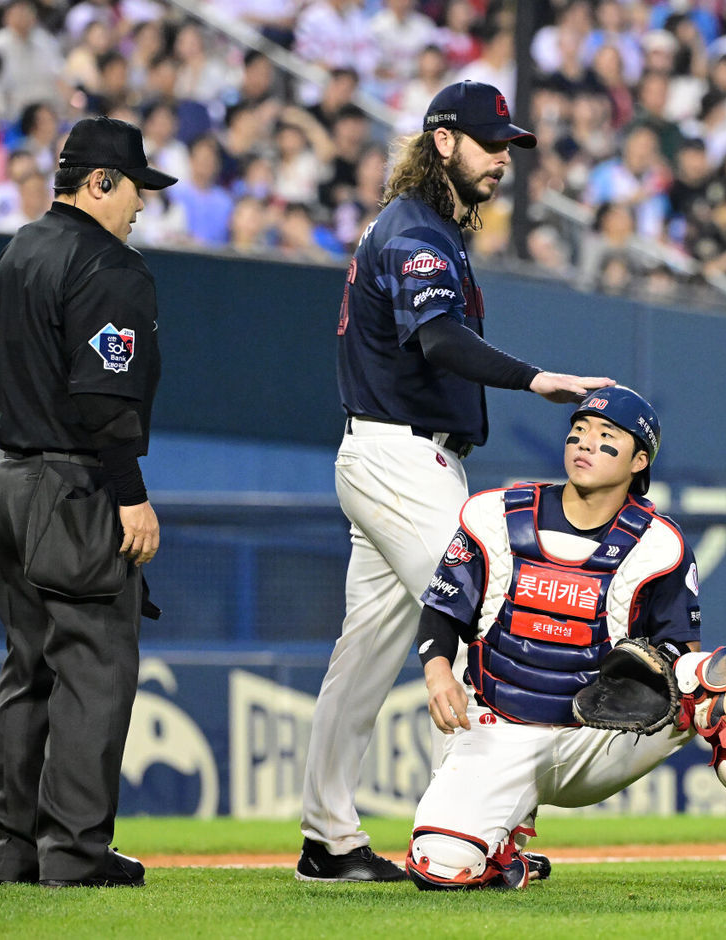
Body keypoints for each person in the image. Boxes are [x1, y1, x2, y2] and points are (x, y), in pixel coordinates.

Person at [296, 79, 615, 883]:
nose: (502, 159)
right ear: (443, 142)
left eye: (508, 146)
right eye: (489, 142)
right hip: (401, 459)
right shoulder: (414, 232)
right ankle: (479, 834)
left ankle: (326, 841)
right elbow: (439, 341)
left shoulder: (424, 226)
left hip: (391, 454)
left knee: (363, 657)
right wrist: (536, 378)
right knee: (490, 615)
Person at [405, 386, 726, 895]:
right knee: (440, 869)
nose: (585, 443)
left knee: (717, 677)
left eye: (605, 436)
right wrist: (438, 670)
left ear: (639, 460)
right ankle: (503, 852)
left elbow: (682, 653)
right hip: (495, 726)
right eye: (578, 432)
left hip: (597, 735)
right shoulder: (494, 515)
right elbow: (442, 609)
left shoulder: (660, 544)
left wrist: (661, 675)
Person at [0, 116, 177, 888]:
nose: (140, 207)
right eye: (133, 189)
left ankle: (16, 851)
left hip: (4, 477)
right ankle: (76, 853)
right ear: (99, 182)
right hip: (72, 487)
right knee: (95, 668)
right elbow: (104, 400)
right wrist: (130, 497)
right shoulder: (110, 266)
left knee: (28, 665)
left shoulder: (18, 249)